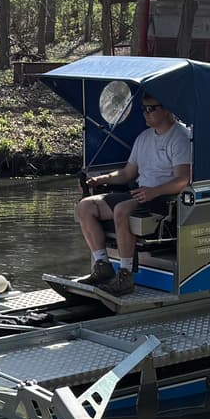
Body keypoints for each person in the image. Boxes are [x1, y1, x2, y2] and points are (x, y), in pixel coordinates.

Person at [75, 94, 192, 295]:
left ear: (167, 109)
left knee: (122, 210)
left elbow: (184, 179)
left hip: (164, 199)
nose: (146, 114)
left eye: (151, 109)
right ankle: (102, 266)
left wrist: (153, 192)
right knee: (85, 206)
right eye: (144, 109)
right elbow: (128, 173)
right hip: (140, 194)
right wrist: (102, 179)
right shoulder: (144, 138)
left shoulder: (180, 137)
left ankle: (126, 275)